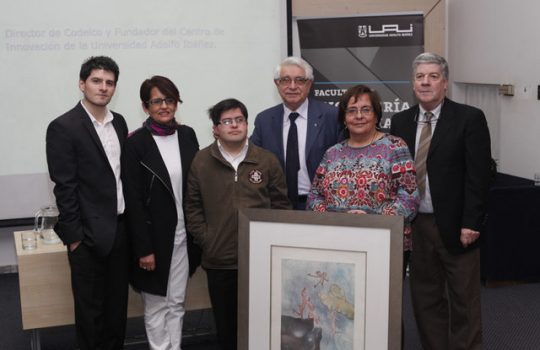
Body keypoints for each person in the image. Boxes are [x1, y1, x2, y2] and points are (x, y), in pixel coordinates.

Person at [390, 52, 492, 350]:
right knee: (425, 297)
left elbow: (479, 176)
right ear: (413, 83)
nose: (426, 82)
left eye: (433, 76)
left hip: (458, 226)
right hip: (416, 225)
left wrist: (472, 222)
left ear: (445, 83)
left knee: (464, 300)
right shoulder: (400, 122)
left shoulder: (469, 118)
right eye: (420, 76)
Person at [186, 98, 291, 350]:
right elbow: (192, 207)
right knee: (226, 328)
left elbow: (281, 206)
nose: (234, 125)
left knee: (262, 327)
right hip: (219, 260)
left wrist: (273, 246)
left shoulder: (267, 160)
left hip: (261, 261)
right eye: (227, 121)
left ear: (246, 124)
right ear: (216, 128)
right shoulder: (201, 162)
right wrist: (208, 240)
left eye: (240, 120)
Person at [46, 56, 129, 349]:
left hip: (120, 232)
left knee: (117, 313)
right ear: (82, 84)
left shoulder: (119, 122)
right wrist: (76, 239)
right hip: (88, 238)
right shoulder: (63, 127)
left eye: (109, 82)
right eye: (96, 81)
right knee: (90, 317)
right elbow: (64, 187)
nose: (103, 87)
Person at [122, 76, 200, 350]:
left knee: (177, 302)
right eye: (157, 101)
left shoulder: (188, 135)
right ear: (145, 107)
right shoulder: (135, 144)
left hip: (184, 237)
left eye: (170, 100)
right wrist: (144, 249)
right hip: (153, 240)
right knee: (156, 304)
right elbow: (133, 200)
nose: (165, 106)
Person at [307, 84, 419, 269]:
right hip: (337, 243)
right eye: (351, 111)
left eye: (366, 110)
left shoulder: (395, 147)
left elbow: (409, 198)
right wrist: (336, 219)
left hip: (384, 242)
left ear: (376, 116)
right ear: (344, 118)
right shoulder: (332, 153)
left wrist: (370, 220)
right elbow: (314, 197)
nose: (358, 116)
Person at [251, 56, 342, 209]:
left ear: (309, 84)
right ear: (277, 83)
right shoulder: (264, 120)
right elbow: (252, 160)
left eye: (299, 80)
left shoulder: (331, 116)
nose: (292, 86)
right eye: (285, 80)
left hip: (321, 206)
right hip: (276, 206)